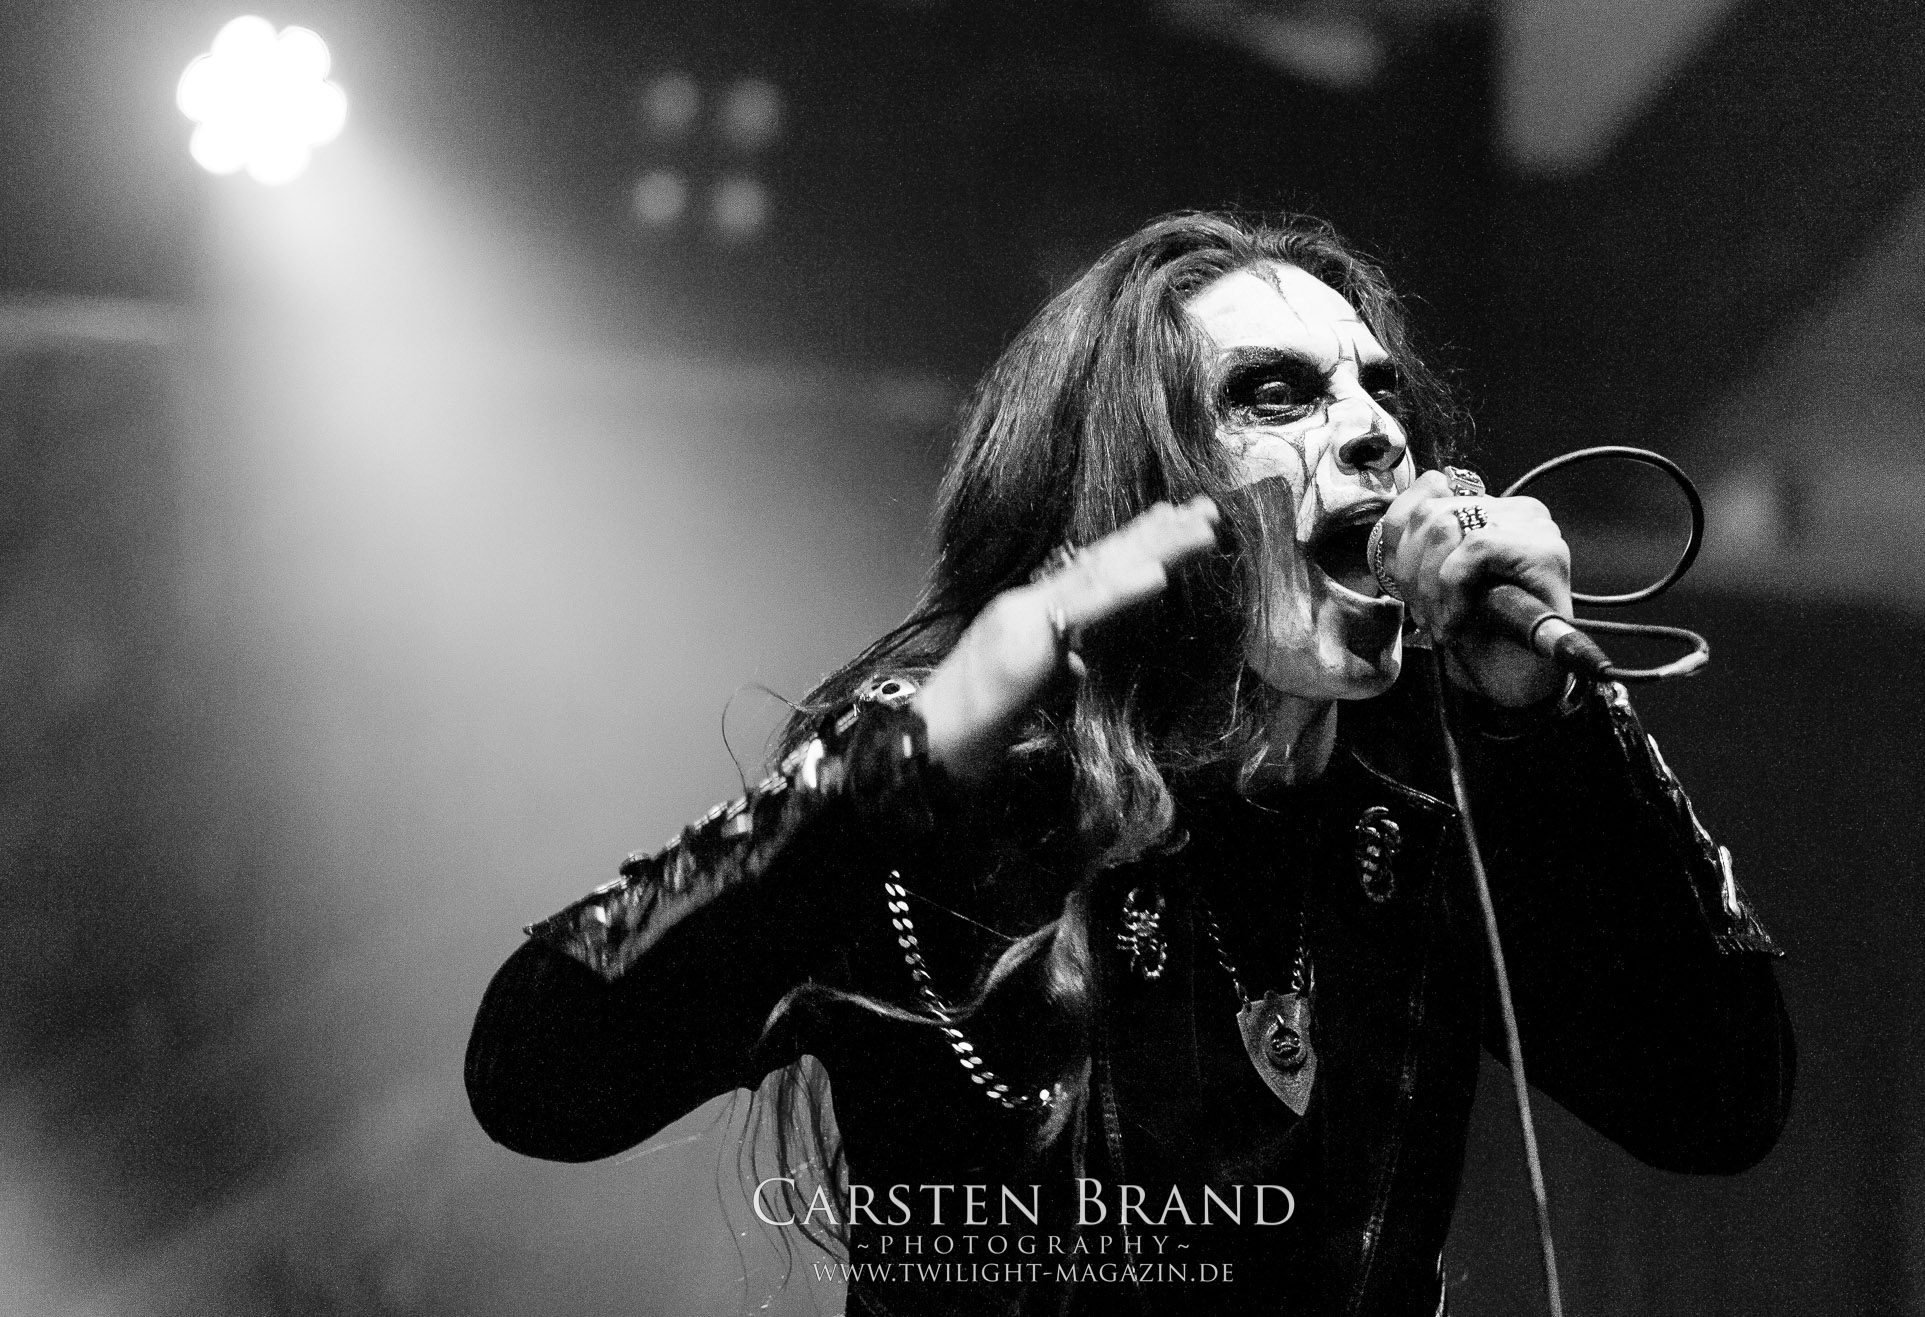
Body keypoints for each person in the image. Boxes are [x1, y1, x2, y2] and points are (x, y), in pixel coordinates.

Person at [464, 212, 1793, 1316]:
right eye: (1278, 391)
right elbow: (540, 1074)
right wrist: (881, 783)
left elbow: (1719, 1102)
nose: (1377, 432)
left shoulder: (1426, 800)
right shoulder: (960, 792)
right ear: (1141, 486)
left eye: (1383, 391)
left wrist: (1547, 724)